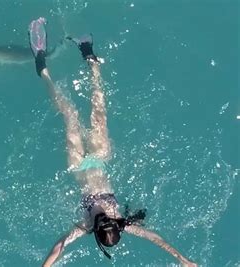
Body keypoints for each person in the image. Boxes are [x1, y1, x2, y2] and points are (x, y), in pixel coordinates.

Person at [28, 17, 197, 267]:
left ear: (95, 230)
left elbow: (60, 246)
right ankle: (88, 52)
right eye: (109, 220)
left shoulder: (84, 225)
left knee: (69, 114)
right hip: (100, 157)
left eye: (102, 222)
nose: (104, 217)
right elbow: (154, 238)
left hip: (77, 164)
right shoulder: (120, 220)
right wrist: (182, 259)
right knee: (99, 111)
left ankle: (41, 66)